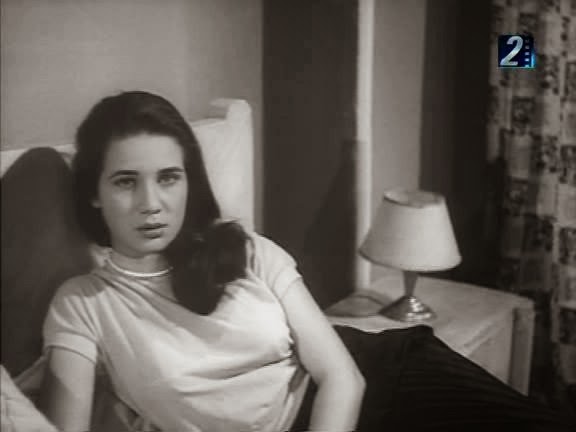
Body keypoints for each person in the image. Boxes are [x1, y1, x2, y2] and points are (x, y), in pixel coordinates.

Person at [39, 91, 574, 432]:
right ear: (93, 194)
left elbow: (342, 375)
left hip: (377, 382)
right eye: (125, 182)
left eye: (168, 178)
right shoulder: (82, 305)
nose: (151, 203)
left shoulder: (245, 249)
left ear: (188, 182)